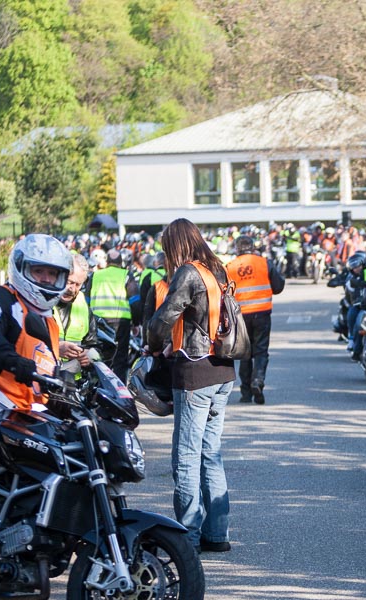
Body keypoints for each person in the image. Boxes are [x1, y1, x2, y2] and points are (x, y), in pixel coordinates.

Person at [146, 218, 235, 553]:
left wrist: (153, 342)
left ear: (176, 244)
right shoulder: (219, 270)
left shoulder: (187, 272)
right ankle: (217, 533)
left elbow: (163, 320)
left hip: (195, 375)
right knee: (210, 454)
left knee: (186, 456)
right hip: (223, 372)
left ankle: (187, 536)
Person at [0, 234, 71, 423]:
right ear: (21, 267)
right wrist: (14, 361)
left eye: (52, 273)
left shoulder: (49, 319)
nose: (46, 279)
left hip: (29, 412)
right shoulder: (2, 299)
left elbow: (45, 366)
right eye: (38, 271)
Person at [226, 235, 285, 405]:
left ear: (237, 248)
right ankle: (257, 381)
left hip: (240, 316)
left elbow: (224, 293)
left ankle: (245, 393)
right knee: (261, 351)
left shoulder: (230, 267)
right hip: (262, 313)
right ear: (252, 247)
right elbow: (278, 286)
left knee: (245, 352)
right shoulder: (264, 262)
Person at [89, 247, 141, 381]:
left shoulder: (95, 275)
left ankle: (98, 387)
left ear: (107, 262)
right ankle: (119, 391)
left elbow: (86, 300)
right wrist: (136, 323)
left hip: (98, 322)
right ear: (120, 262)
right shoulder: (126, 275)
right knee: (120, 358)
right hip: (120, 323)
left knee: (99, 357)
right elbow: (135, 301)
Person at [54, 253, 99, 369]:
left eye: (77, 284)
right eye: (69, 282)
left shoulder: (83, 305)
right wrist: (55, 348)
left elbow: (94, 344)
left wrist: (89, 356)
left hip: (72, 382)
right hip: (43, 378)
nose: (72, 289)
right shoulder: (42, 302)